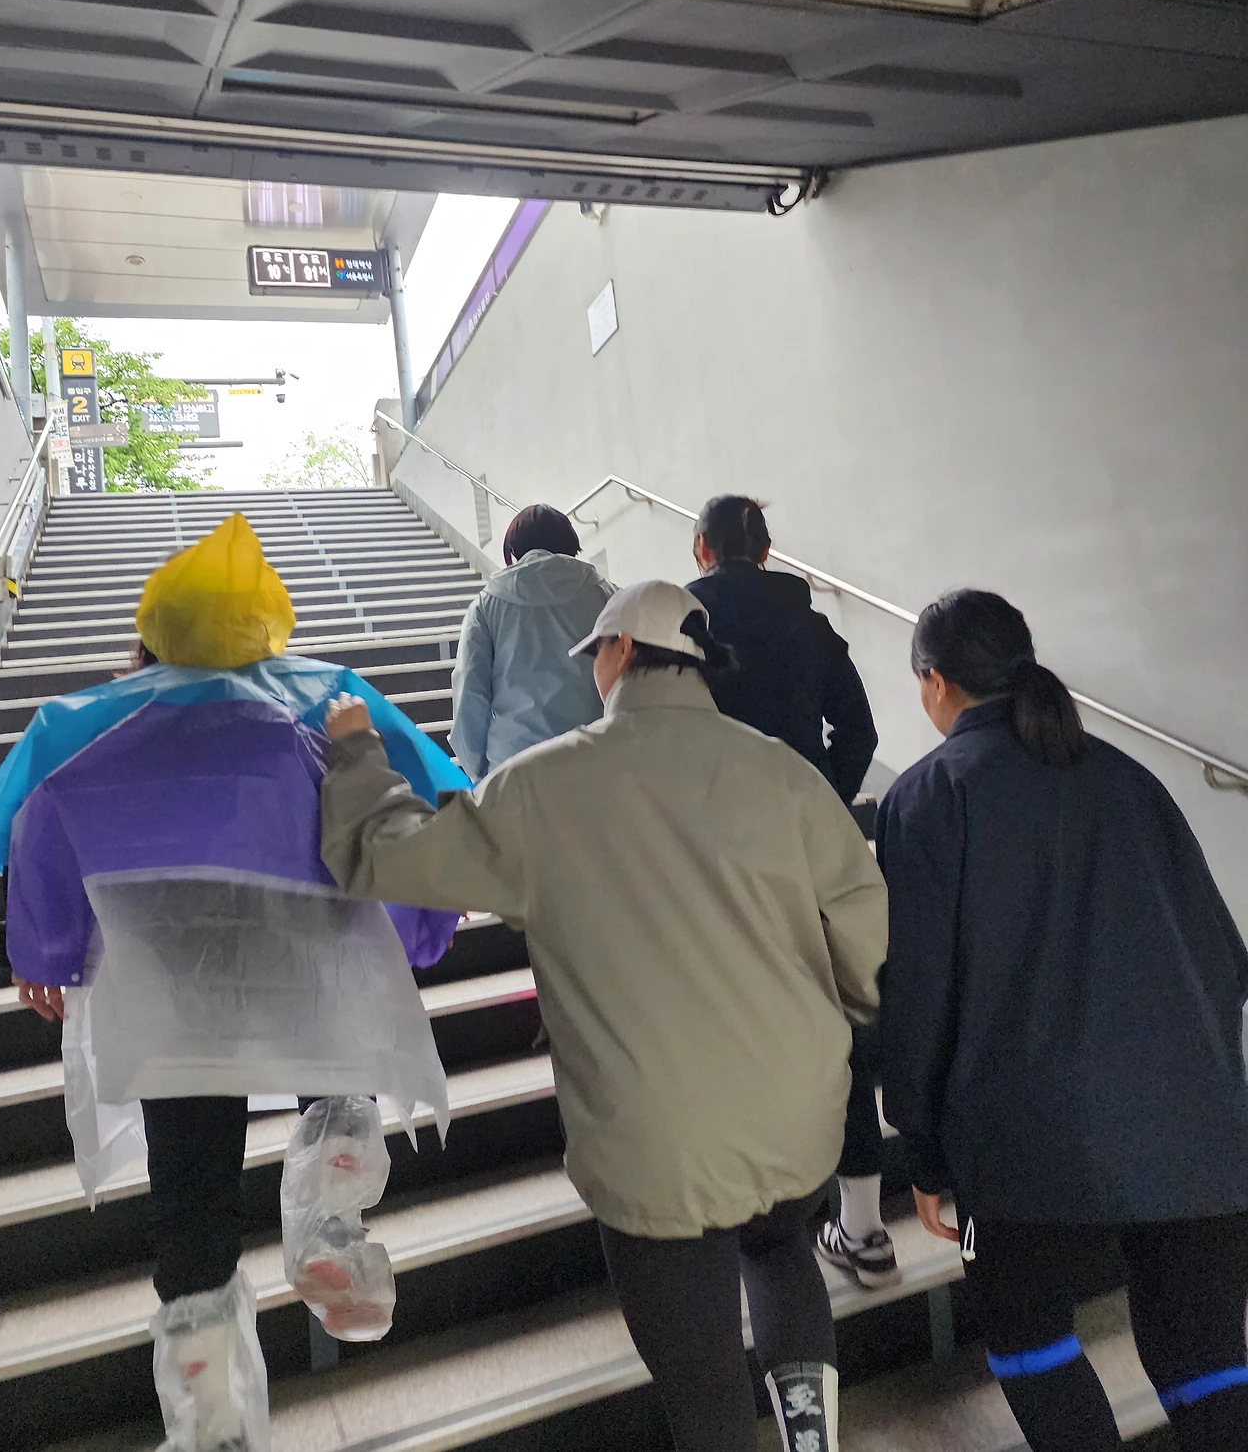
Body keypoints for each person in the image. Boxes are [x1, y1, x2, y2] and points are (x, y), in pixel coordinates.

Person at [321, 579, 888, 1452]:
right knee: (780, 1251)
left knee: (703, 1385)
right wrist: (837, 1023)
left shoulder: (543, 785)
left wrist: (358, 754)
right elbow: (864, 934)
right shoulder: (785, 773)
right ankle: (812, 1440)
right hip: (796, 1111)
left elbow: (389, 859)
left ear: (618, 653)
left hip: (655, 1142)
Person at [0, 514, 463, 1452]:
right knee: (336, 1078)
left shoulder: (98, 739)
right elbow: (395, 818)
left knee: (191, 1188)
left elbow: (41, 831)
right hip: (303, 973)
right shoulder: (313, 719)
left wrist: (39, 952)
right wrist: (424, 922)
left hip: (172, 1002)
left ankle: (211, 1413)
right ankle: (328, 1227)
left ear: (149, 641)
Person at [878, 588, 1248, 1452]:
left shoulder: (930, 795)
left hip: (1015, 1147)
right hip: (1191, 1126)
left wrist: (923, 1149)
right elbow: (1225, 961)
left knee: (1027, 1340)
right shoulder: (1129, 778)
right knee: (1205, 1359)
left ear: (934, 682)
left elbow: (917, 994)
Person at [688, 496, 891, 1290]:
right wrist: (825, 801)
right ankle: (865, 1229)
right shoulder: (811, 625)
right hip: (809, 853)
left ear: (701, 548)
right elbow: (861, 732)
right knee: (835, 1018)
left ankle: (761, 1215)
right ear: (766, 550)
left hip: (716, 855)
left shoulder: (684, 621)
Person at [449, 503, 615, 781]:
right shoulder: (608, 596)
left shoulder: (486, 605)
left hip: (513, 767)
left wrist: (480, 774)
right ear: (571, 545)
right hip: (593, 763)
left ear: (513, 551)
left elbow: (470, 692)